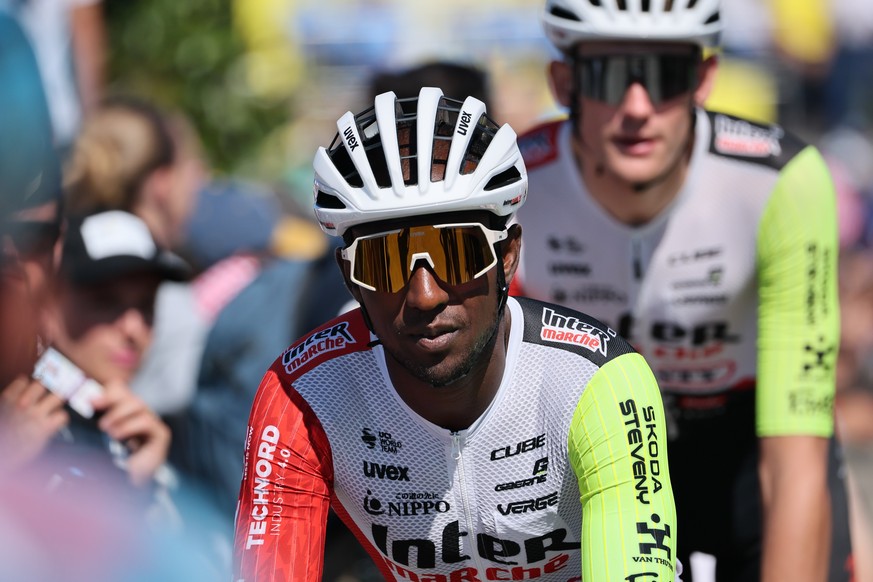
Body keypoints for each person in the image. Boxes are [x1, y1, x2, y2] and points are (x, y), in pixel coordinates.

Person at [232, 87, 677, 581]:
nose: (424, 295)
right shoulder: (304, 396)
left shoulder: (594, 380)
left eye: (457, 253)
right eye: (386, 261)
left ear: (507, 255)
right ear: (350, 276)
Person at [511, 1, 850, 580]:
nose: (638, 109)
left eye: (666, 76)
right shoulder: (517, 186)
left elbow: (796, 453)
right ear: (563, 82)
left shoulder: (780, 182)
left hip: (740, 456)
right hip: (584, 465)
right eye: (610, 77)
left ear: (703, 80)